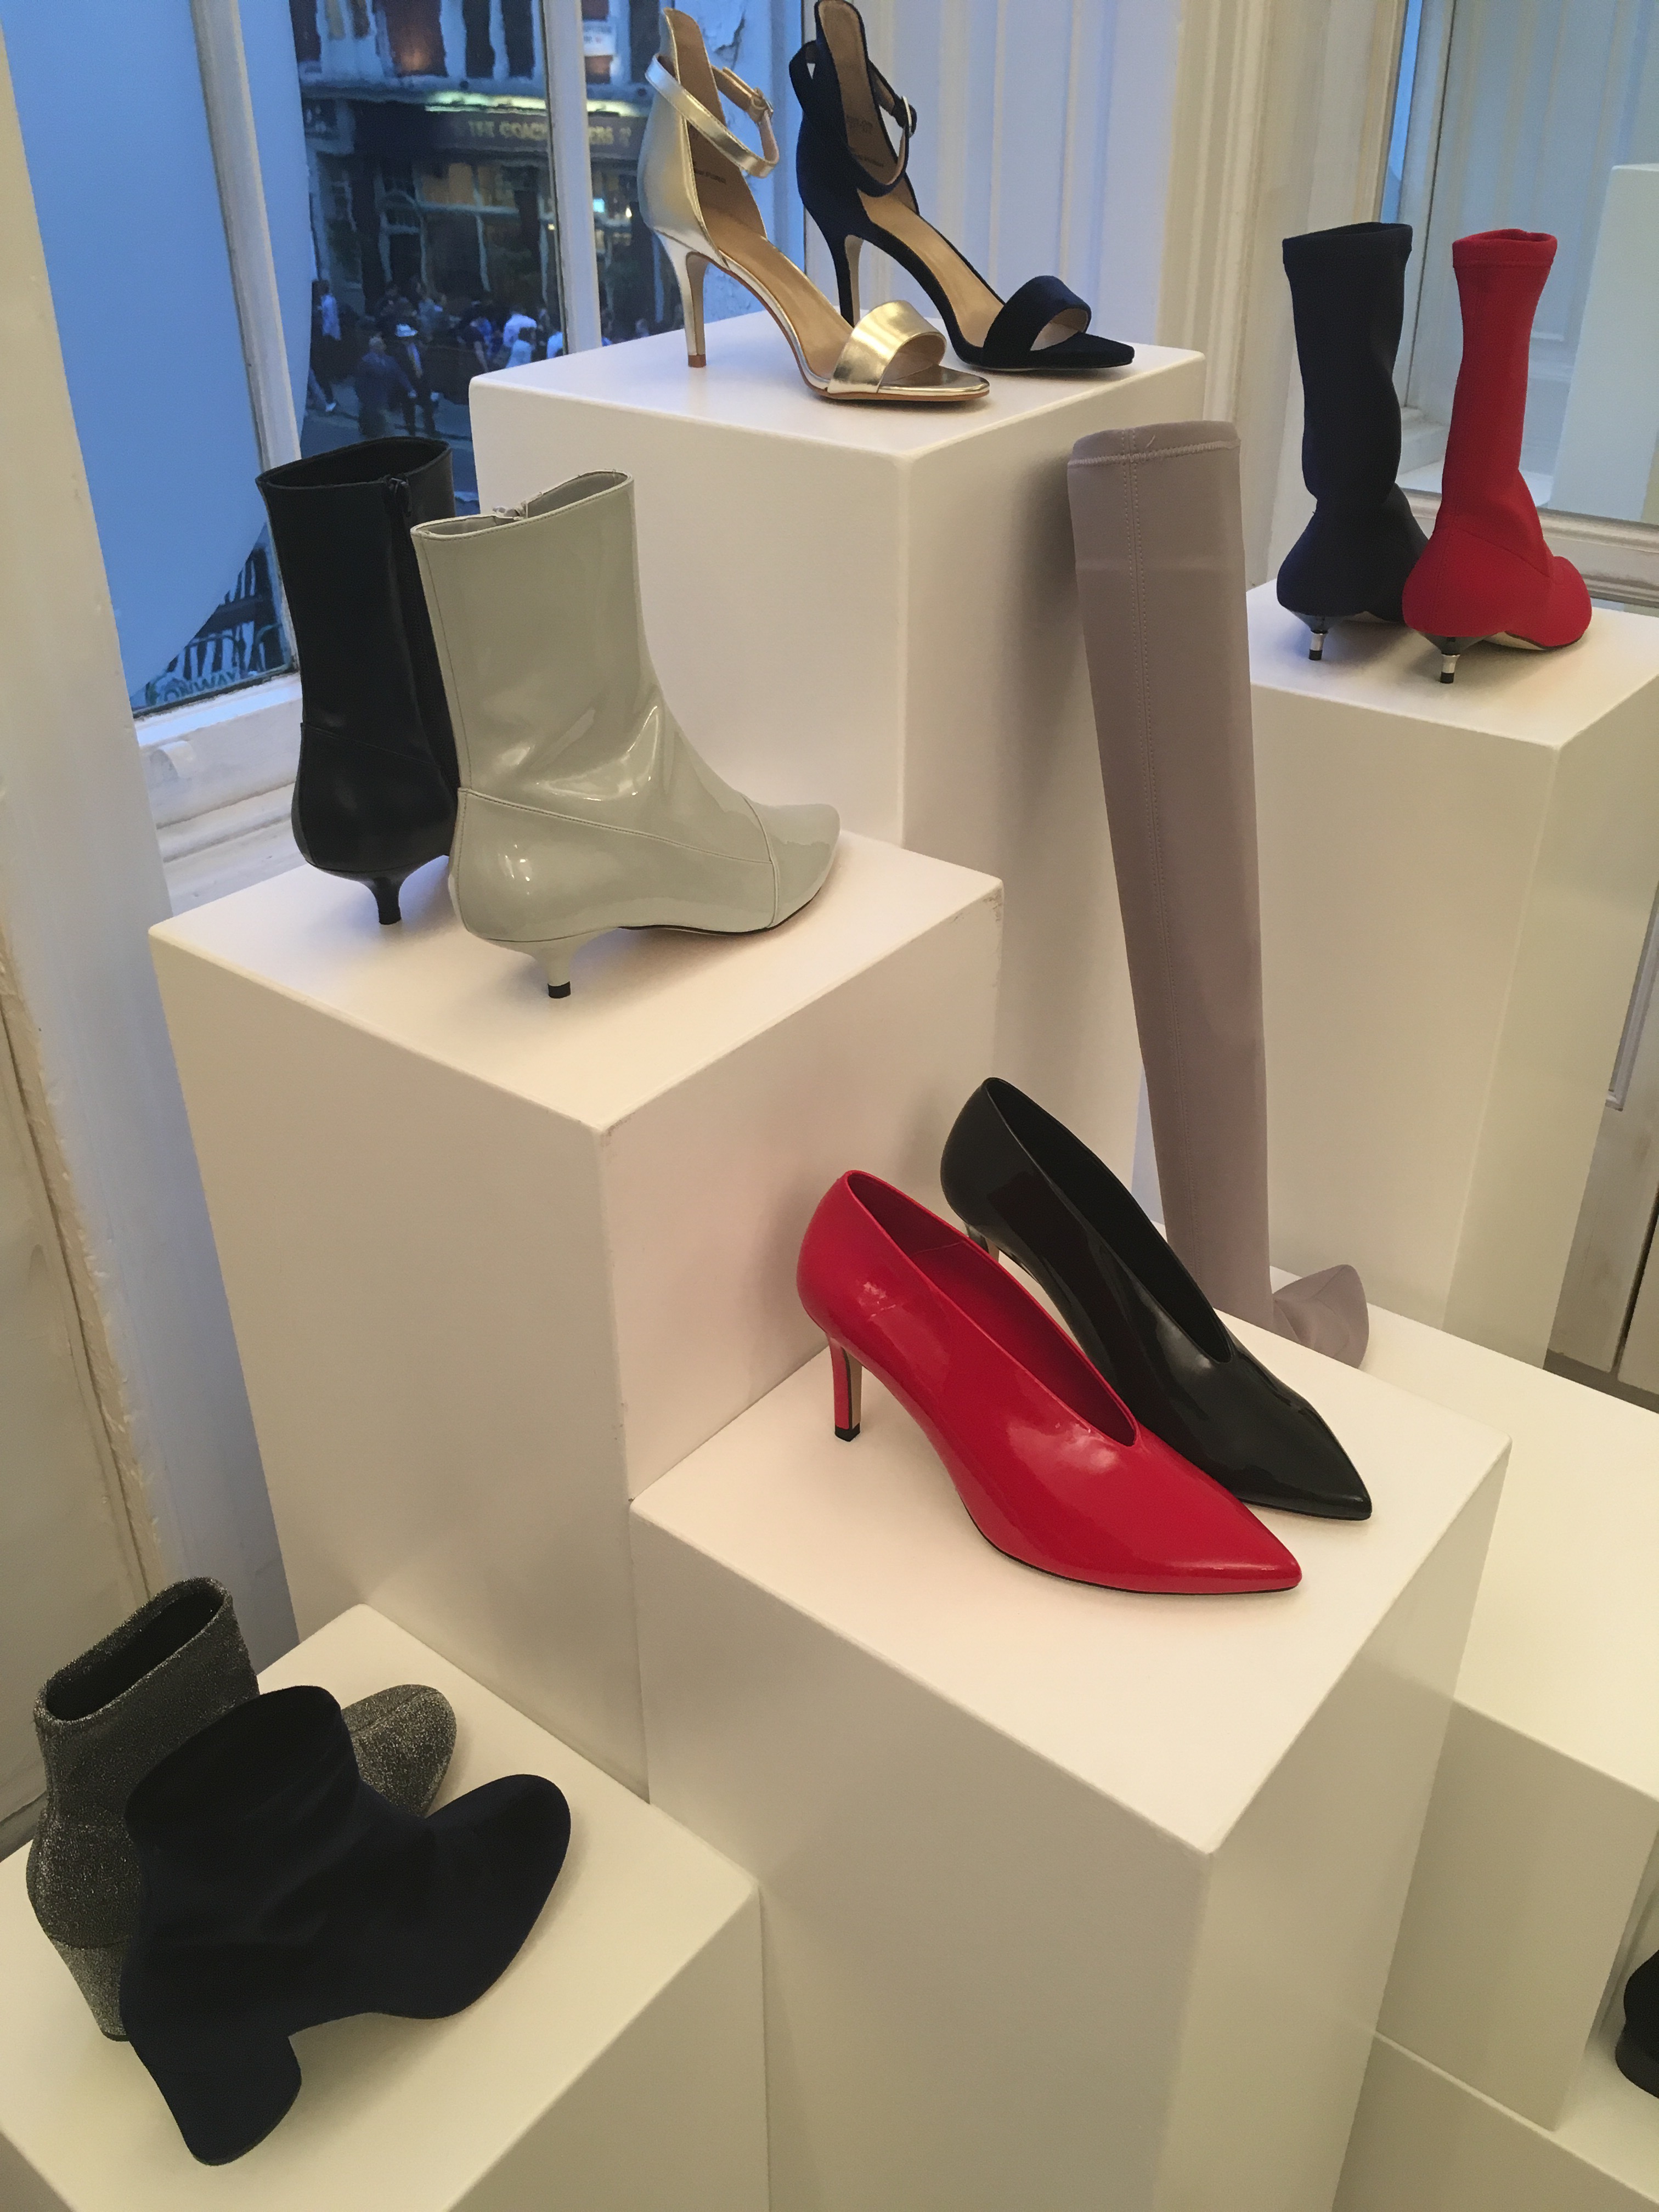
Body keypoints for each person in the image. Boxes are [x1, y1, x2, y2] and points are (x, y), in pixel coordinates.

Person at [353, 334, 415, 441]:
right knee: (378, 427)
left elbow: (400, 374)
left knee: (385, 427)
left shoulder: (389, 360)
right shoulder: (366, 362)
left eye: (383, 344)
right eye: (380, 345)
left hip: (385, 399)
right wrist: (364, 399)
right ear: (374, 348)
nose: (384, 347)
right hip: (371, 401)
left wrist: (410, 389)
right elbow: (359, 384)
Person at [391, 323, 438, 435]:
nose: (408, 340)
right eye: (405, 338)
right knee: (408, 411)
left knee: (428, 408)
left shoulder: (418, 347)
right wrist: (409, 388)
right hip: (408, 385)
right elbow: (400, 373)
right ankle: (412, 433)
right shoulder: (398, 352)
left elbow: (425, 364)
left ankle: (431, 431)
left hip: (422, 382)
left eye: (409, 337)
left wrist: (429, 382)